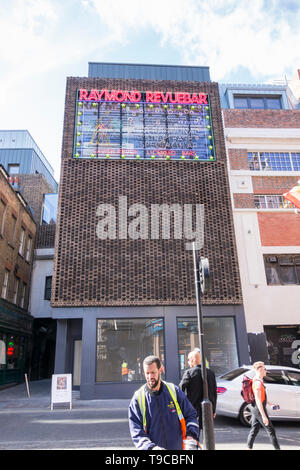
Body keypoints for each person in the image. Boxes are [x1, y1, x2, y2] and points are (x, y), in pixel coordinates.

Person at [128, 355, 199, 450]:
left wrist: (191, 437)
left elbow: (191, 414)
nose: (150, 377)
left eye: (153, 372)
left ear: (160, 370)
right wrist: (151, 448)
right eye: (147, 373)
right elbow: (136, 431)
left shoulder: (174, 391)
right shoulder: (138, 398)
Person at [179, 350, 217, 440]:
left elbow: (180, 389)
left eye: (188, 359)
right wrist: (213, 410)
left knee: (194, 436)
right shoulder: (211, 373)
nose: (188, 362)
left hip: (193, 410)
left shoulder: (189, 372)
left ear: (193, 360)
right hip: (208, 410)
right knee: (208, 437)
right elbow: (214, 393)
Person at [247, 361, 281, 450]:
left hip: (255, 407)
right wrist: (264, 416)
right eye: (265, 369)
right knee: (271, 430)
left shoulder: (258, 379)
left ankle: (249, 448)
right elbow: (258, 400)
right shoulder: (257, 382)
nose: (266, 370)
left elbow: (262, 396)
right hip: (258, 408)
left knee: (255, 428)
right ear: (260, 369)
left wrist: (270, 404)